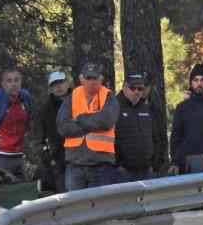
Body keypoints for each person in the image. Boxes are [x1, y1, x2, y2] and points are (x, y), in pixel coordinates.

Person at [57, 62, 120, 190]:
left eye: (95, 78)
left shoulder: (108, 96)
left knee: (100, 207)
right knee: (75, 207)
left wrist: (79, 119)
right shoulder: (72, 97)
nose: (91, 82)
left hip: (101, 165)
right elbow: (62, 127)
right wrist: (92, 122)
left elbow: (106, 121)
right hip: (75, 165)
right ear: (81, 79)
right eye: (88, 78)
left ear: (101, 79)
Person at [115, 72, 154, 182]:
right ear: (124, 88)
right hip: (123, 171)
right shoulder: (115, 107)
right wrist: (118, 165)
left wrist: (153, 163)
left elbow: (155, 136)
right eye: (133, 88)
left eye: (140, 89)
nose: (136, 91)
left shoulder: (146, 108)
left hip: (146, 170)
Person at [38, 71, 71, 193]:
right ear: (50, 88)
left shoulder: (80, 101)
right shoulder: (45, 109)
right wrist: (47, 156)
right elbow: (40, 137)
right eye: (54, 84)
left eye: (61, 82)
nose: (58, 87)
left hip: (80, 158)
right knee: (63, 197)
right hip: (58, 160)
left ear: (67, 83)